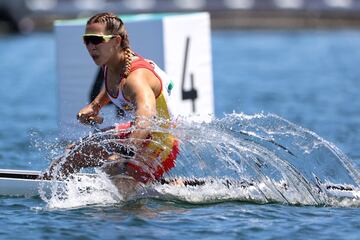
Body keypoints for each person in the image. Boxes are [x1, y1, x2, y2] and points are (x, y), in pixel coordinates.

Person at [44, 12, 179, 192]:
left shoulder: (137, 79)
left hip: (161, 142)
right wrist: (95, 106)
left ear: (116, 41)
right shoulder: (111, 64)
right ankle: (47, 188)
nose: (91, 47)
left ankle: (165, 189)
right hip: (136, 132)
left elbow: (146, 119)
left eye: (96, 40)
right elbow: (112, 88)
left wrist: (124, 154)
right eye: (87, 40)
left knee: (113, 167)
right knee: (74, 152)